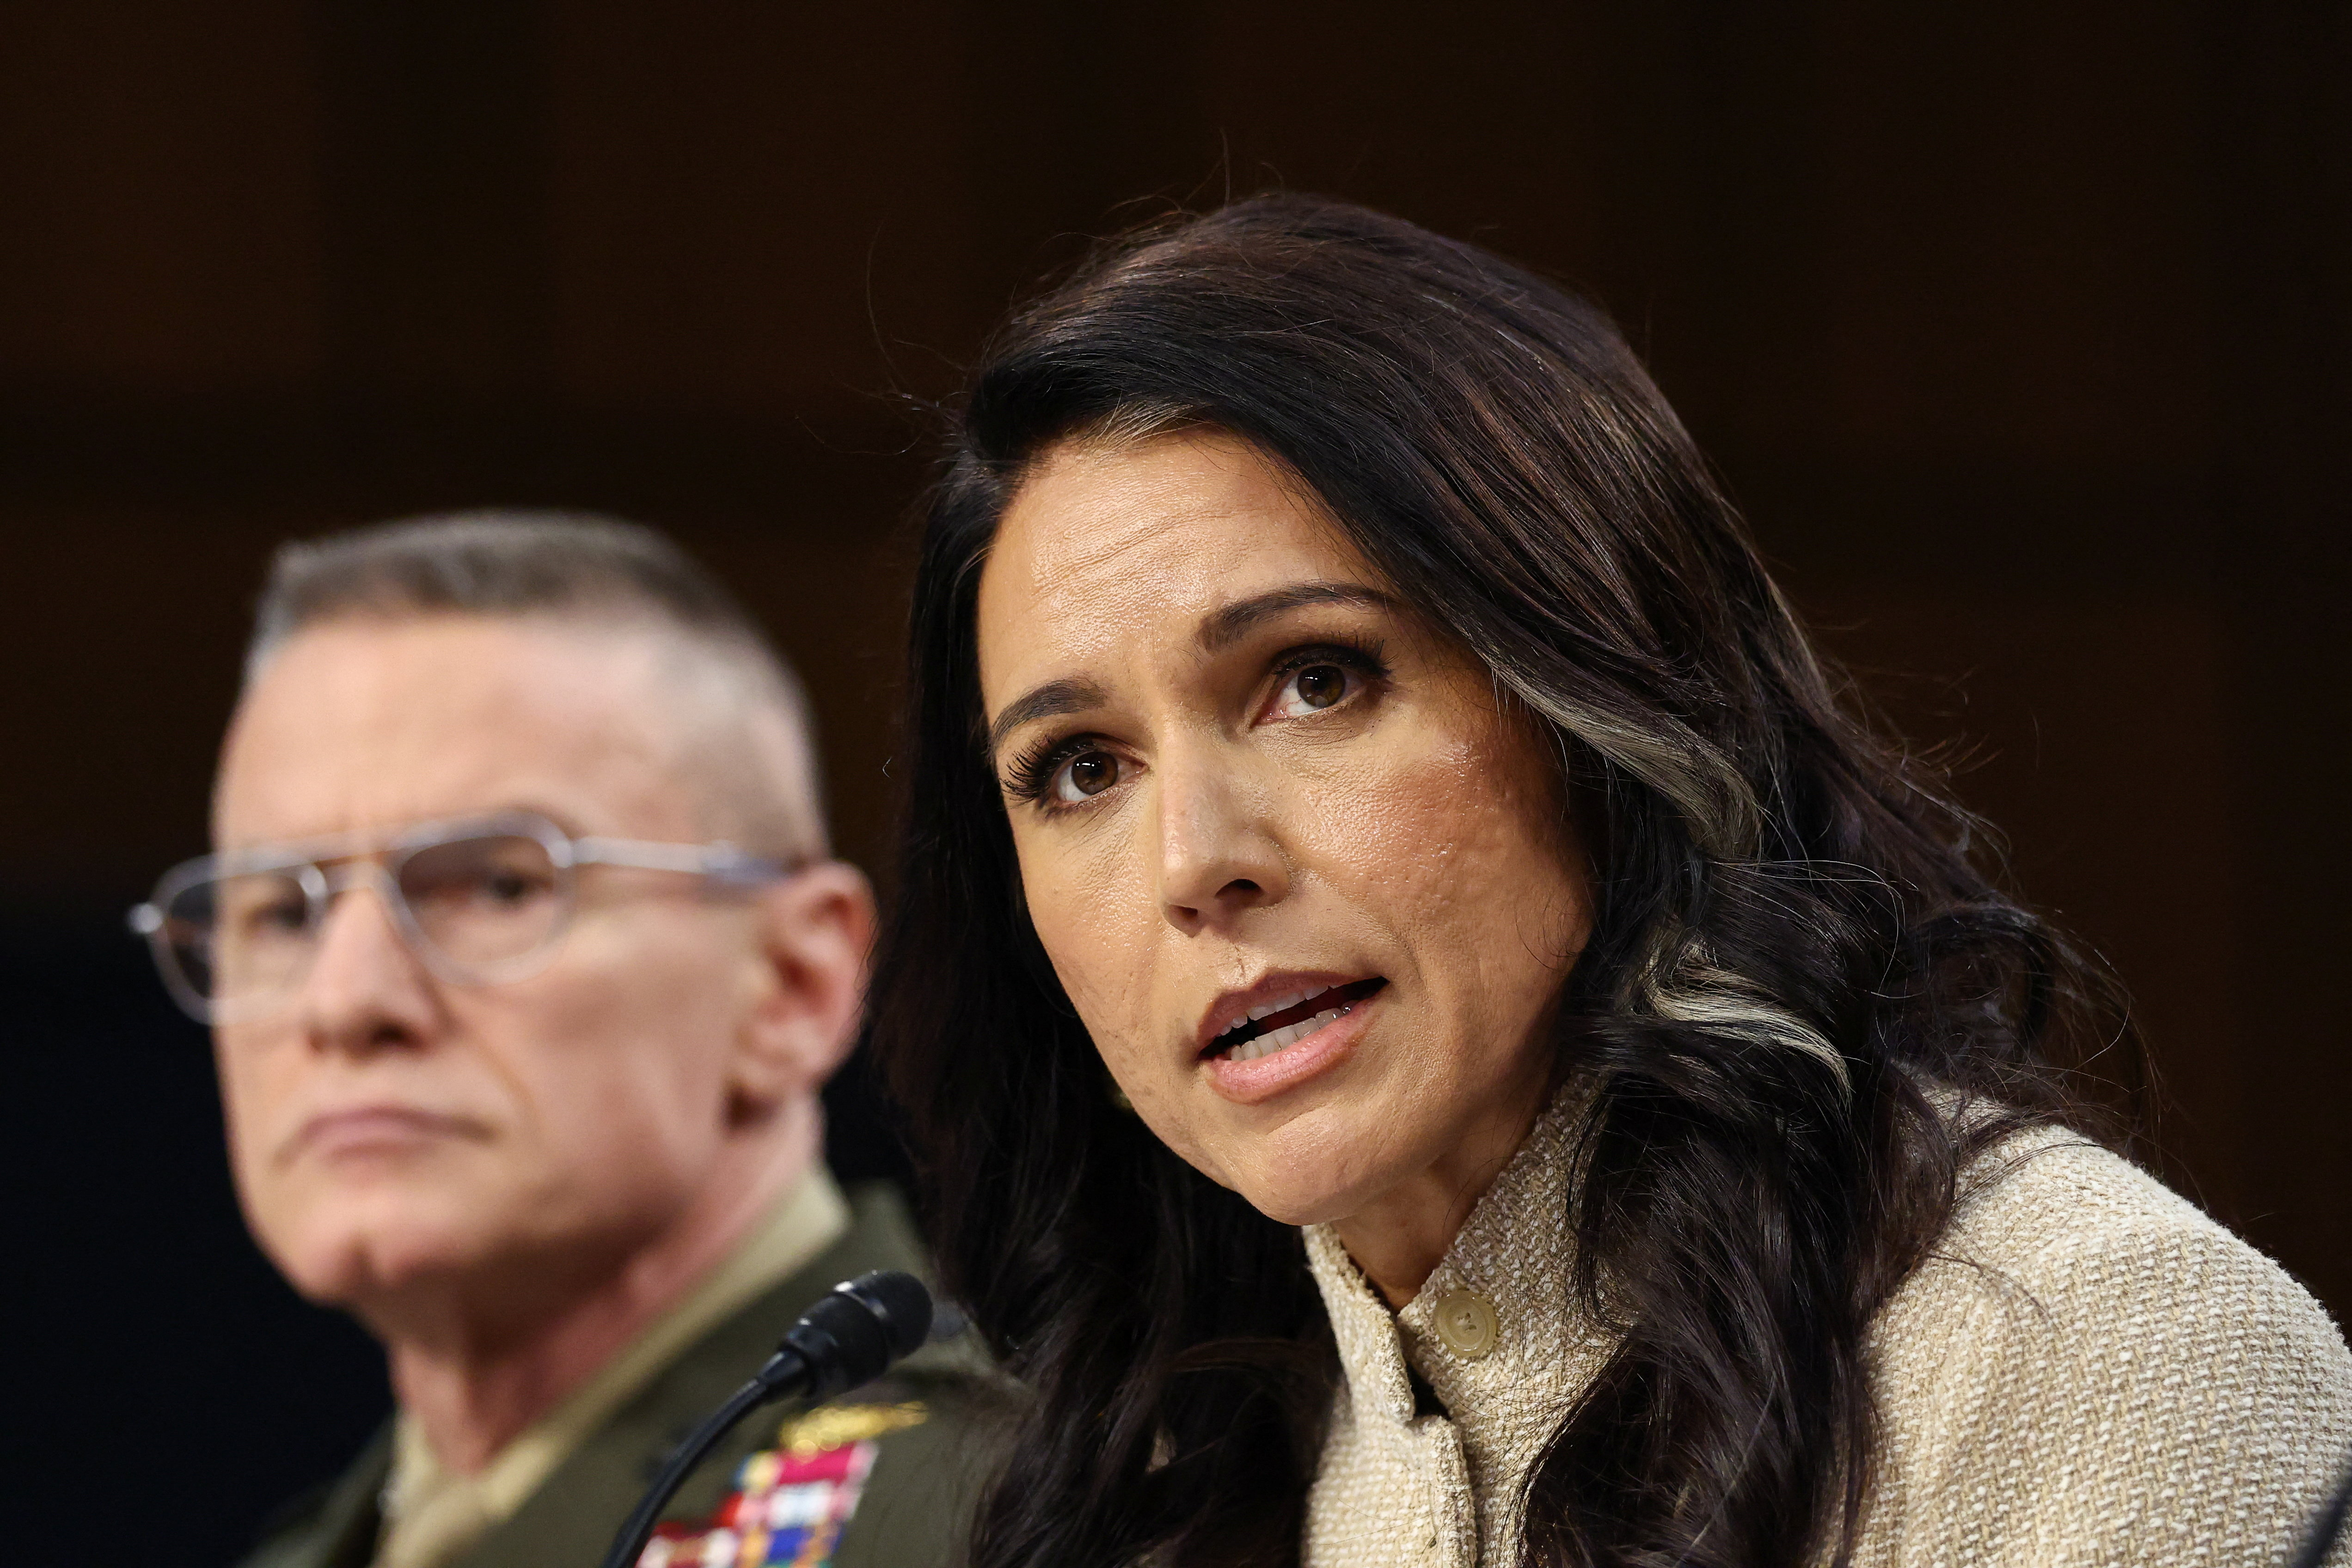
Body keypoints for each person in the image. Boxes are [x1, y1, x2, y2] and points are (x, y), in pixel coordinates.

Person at [862, 195, 2352, 1568]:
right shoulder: (1169, 1482)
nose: (1196, 863)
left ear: (1596, 701)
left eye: (1316, 680)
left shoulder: (2098, 1348)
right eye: (1079, 769)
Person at [133, 514, 985, 1568]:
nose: (345, 1002)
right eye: (284, 913)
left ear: (792, 985)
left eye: (496, 886)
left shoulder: (1013, 1517)